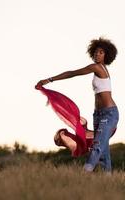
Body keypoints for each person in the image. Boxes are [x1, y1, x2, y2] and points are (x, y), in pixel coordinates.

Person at [35, 37, 119, 173]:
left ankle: (85, 172)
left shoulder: (98, 67)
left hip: (109, 113)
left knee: (97, 145)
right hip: (98, 115)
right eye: (96, 52)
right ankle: (108, 179)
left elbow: (72, 73)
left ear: (107, 55)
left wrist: (49, 80)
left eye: (101, 52)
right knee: (103, 150)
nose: (97, 54)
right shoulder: (97, 68)